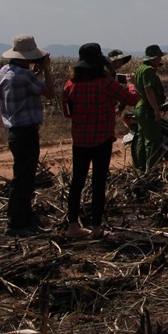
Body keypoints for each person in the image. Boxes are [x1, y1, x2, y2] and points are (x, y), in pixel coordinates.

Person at [62, 43, 139, 239]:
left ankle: (72, 227)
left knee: (76, 182)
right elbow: (132, 99)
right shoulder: (105, 83)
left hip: (79, 140)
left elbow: (67, 113)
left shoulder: (70, 85)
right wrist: (131, 84)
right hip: (102, 139)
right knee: (98, 184)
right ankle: (96, 228)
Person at [0, 34, 56, 236]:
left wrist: (35, 74)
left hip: (14, 131)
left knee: (23, 176)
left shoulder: (4, 71)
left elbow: (25, 89)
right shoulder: (25, 75)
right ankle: (16, 223)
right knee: (24, 179)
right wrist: (46, 69)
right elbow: (49, 92)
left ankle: (24, 220)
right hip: (26, 131)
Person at [133, 45, 167, 170]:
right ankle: (151, 169)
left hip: (140, 108)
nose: (160, 60)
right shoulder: (147, 70)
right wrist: (156, 110)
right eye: (158, 58)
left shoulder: (140, 69)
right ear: (153, 58)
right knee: (153, 140)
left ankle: (141, 167)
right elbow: (149, 90)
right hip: (147, 108)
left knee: (142, 138)